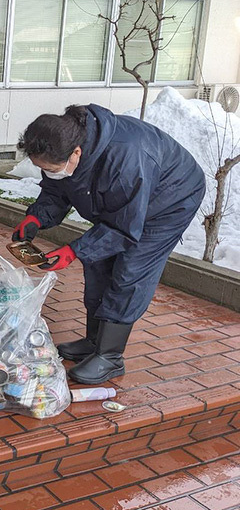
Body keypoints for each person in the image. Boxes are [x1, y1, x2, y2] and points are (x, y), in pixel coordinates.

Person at [13, 104, 205, 385]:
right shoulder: (62, 146)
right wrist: (36, 217)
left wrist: (75, 250)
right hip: (129, 198)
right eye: (42, 168)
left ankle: (110, 357)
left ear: (76, 153)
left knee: (131, 270)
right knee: (99, 262)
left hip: (170, 201)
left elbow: (122, 229)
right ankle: (95, 342)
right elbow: (58, 188)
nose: (48, 172)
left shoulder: (125, 161)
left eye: (50, 168)